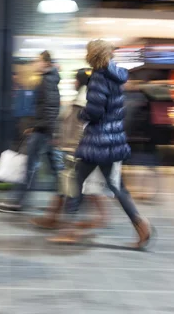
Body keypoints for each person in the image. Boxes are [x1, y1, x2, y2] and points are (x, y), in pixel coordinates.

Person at [51, 40, 153, 248]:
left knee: (76, 181)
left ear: (93, 55)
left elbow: (95, 111)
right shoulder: (116, 76)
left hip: (97, 141)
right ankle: (141, 225)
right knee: (117, 187)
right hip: (114, 140)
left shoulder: (98, 77)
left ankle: (68, 231)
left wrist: (82, 113)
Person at [30, 68, 108, 230]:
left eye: (75, 79)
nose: (73, 82)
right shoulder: (83, 98)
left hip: (79, 151)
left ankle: (63, 224)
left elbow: (81, 128)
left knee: (72, 187)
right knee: (75, 187)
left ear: (80, 81)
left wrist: (75, 147)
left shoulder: (83, 100)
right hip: (78, 150)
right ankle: (55, 218)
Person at [0, 51, 61, 213]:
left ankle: (17, 201)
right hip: (43, 128)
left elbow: (50, 108)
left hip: (43, 130)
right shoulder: (47, 79)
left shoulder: (48, 81)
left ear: (46, 63)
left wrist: (44, 129)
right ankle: (72, 196)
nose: (35, 64)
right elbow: (45, 108)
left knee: (29, 166)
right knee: (54, 167)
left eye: (37, 61)